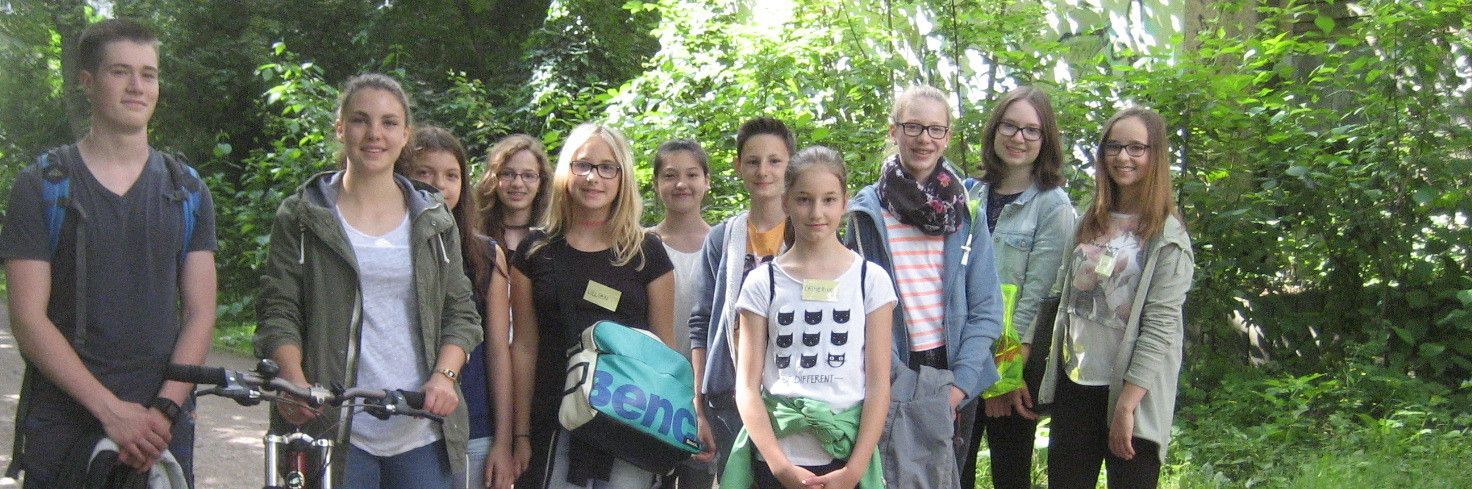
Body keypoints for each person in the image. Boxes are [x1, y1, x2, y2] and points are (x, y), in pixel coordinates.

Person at [2, 18, 216, 488]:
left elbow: (200, 312)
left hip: (161, 427)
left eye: (148, 74)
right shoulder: (42, 186)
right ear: (88, 81)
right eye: (120, 72)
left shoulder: (187, 190)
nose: (137, 86)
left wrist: (164, 409)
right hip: (63, 424)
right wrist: (111, 411)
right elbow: (27, 319)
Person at [254, 73, 483, 488]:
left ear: (405, 135)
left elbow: (460, 311)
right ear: (340, 128)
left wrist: (445, 376)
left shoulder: (433, 217)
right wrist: (294, 381)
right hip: (330, 426)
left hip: (420, 426)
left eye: (389, 122)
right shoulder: (302, 215)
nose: (375, 133)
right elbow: (278, 309)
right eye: (360, 120)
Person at [843, 85, 1004, 481]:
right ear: (894, 131)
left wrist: (960, 387)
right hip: (890, 370)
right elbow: (852, 303)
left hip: (953, 370)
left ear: (947, 137)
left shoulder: (966, 212)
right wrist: (892, 378)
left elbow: (987, 307)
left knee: (945, 478)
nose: (924, 139)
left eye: (935, 129)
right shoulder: (866, 213)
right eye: (913, 126)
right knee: (889, 477)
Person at [510, 123, 676, 489]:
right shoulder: (535, 251)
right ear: (566, 171)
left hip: (628, 422)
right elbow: (523, 348)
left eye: (606, 167)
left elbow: (665, 351)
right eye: (583, 165)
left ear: (622, 176)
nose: (593, 177)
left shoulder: (646, 252)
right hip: (553, 421)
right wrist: (519, 434)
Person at [1038, 107, 1194, 489]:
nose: (1123, 156)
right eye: (1114, 147)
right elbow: (1061, 297)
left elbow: (1160, 328)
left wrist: (1126, 405)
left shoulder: (1168, 236)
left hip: (1133, 393)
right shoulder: (1090, 219)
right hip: (1076, 384)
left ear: (1155, 155)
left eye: (1136, 147)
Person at [724, 146, 896, 489]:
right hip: (777, 459)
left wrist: (854, 470)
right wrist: (779, 466)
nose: (817, 212)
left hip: (844, 457)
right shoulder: (763, 282)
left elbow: (879, 385)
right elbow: (747, 385)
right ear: (786, 202)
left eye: (828, 200)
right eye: (804, 200)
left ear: (844, 203)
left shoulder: (870, 280)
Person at [960, 86, 1077, 489]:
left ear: (1046, 140)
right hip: (961, 356)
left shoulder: (1053, 205)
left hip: (1013, 364)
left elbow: (1039, 297)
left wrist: (1004, 376)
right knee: (953, 471)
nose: (1018, 138)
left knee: (1010, 474)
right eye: (1009, 126)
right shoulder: (970, 192)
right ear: (995, 130)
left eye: (1031, 130)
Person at [405, 126, 518, 489]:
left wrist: (503, 440)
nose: (439, 185)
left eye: (451, 175)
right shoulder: (390, 250)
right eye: (425, 172)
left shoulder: (486, 254)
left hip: (474, 423)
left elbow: (498, 350)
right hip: (403, 418)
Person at [688, 117, 796, 481]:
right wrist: (699, 404)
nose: (763, 171)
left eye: (774, 161)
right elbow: (702, 321)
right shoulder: (722, 239)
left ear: (790, 165)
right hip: (729, 397)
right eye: (752, 161)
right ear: (738, 166)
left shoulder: (809, 232)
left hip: (792, 395)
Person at [646, 139, 718, 489]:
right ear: (656, 183)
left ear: (707, 181)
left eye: (691, 174)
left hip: (709, 393)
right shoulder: (642, 243)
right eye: (670, 175)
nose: (681, 184)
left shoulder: (723, 244)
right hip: (652, 390)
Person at [476, 134, 553, 253]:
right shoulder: (473, 234)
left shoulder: (555, 237)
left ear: (541, 183)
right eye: (507, 174)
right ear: (492, 179)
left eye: (529, 176)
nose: (517, 184)